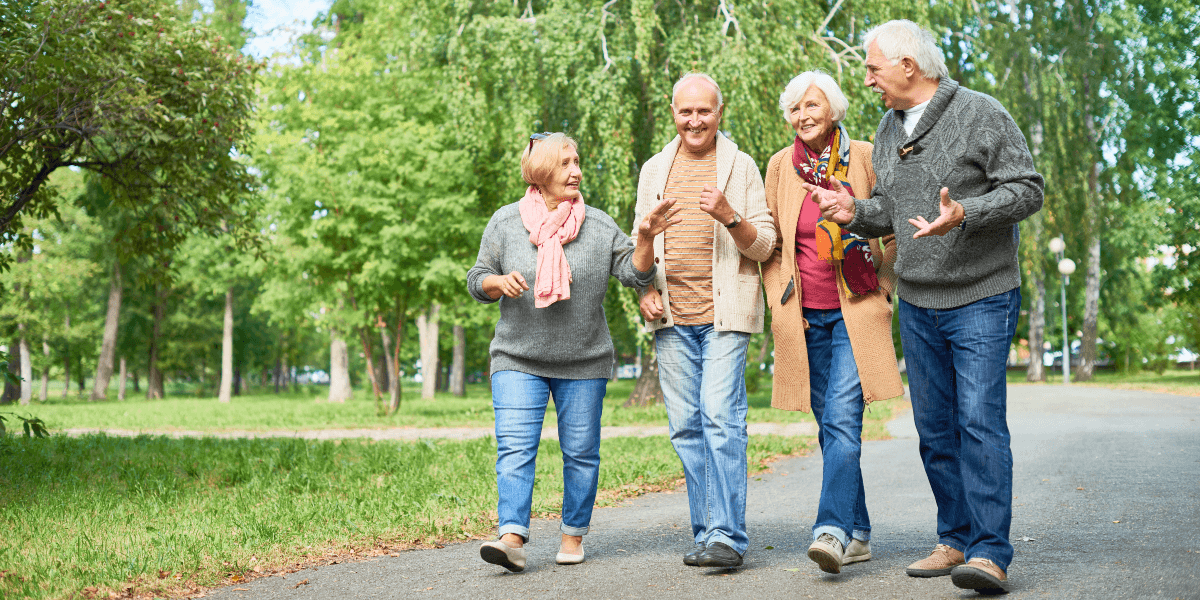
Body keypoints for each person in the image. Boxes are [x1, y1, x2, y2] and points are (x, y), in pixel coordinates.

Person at [806, 20, 1045, 593]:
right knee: (935, 429)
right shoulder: (889, 128)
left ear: (908, 67)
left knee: (979, 422)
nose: (867, 80)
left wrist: (966, 212)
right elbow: (891, 208)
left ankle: (990, 553)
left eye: (872, 68)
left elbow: (1028, 189)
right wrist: (852, 212)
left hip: (980, 295)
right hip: (917, 300)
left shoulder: (980, 113)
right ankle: (955, 537)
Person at [467, 132, 679, 572]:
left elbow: (635, 275)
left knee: (581, 452)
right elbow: (477, 278)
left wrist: (643, 238)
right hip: (517, 358)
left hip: (583, 360)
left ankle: (572, 534)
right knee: (515, 448)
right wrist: (497, 282)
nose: (576, 170)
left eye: (577, 161)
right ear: (541, 171)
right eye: (565, 163)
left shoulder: (598, 225)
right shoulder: (506, 222)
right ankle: (511, 538)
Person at [761, 70, 903, 575]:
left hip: (854, 310)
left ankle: (832, 531)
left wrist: (883, 281)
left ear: (834, 109)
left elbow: (891, 219)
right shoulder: (781, 166)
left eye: (812, 105)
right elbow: (773, 240)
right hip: (804, 317)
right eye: (795, 108)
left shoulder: (863, 156)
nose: (802, 116)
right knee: (830, 428)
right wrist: (776, 296)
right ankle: (859, 528)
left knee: (842, 420)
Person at [633, 73, 777, 568]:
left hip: (725, 314)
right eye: (685, 111)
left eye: (704, 111)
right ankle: (707, 532)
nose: (694, 120)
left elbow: (765, 245)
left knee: (720, 417)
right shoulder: (654, 169)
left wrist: (730, 215)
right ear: (673, 112)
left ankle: (728, 537)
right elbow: (640, 248)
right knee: (686, 428)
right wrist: (644, 287)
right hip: (672, 318)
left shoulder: (740, 166)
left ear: (720, 112)